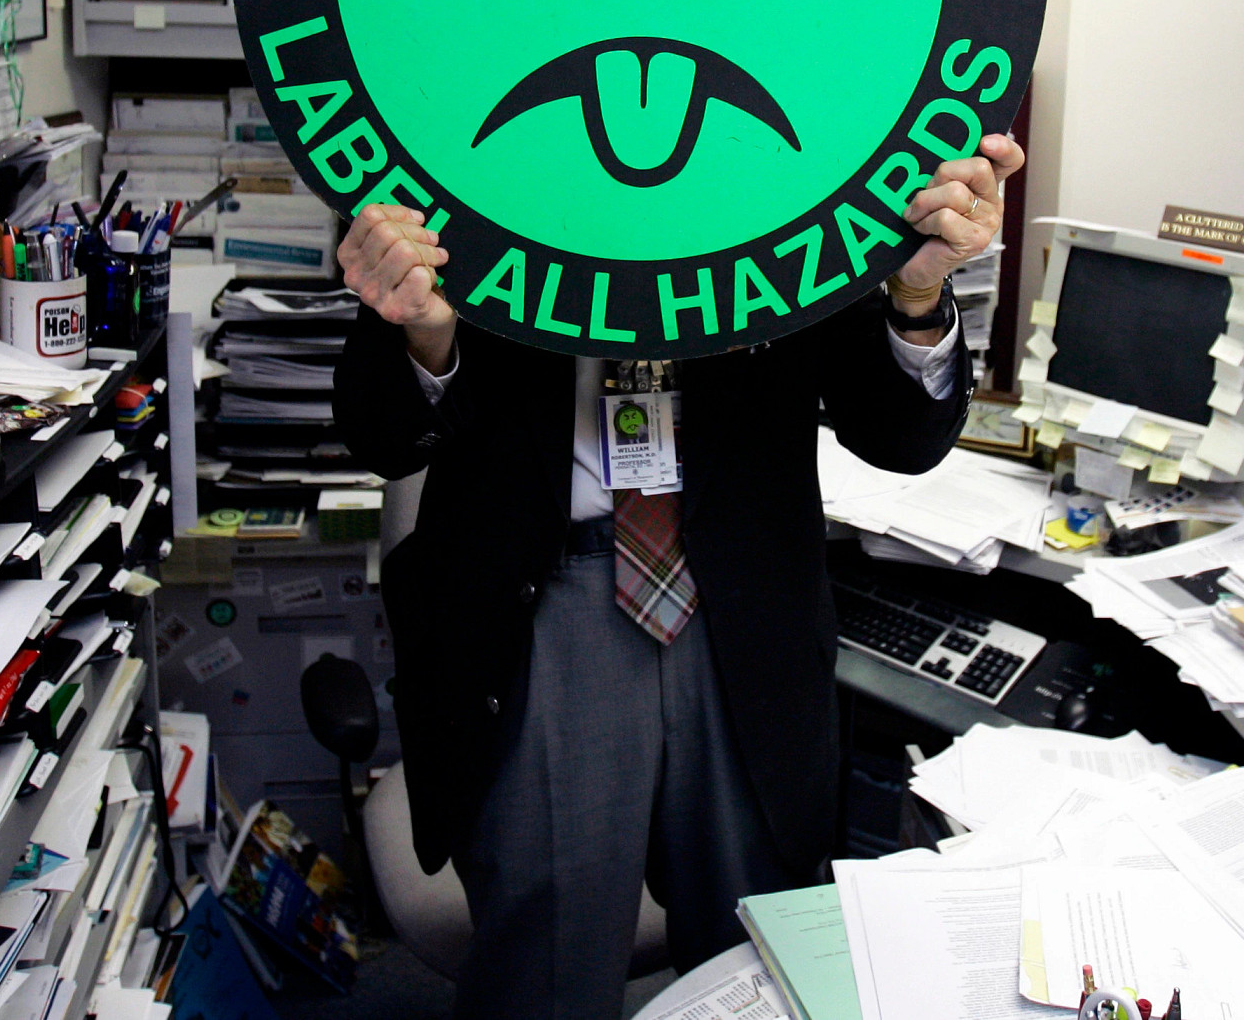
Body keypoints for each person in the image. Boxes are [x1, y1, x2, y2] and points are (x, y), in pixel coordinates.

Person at [335, 133, 1025, 1020]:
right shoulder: (450, 147)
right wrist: (429, 336)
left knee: (759, 962)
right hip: (543, 608)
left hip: (743, 611)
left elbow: (899, 436)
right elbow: (379, 434)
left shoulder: (809, 159)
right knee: (545, 974)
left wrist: (917, 290)